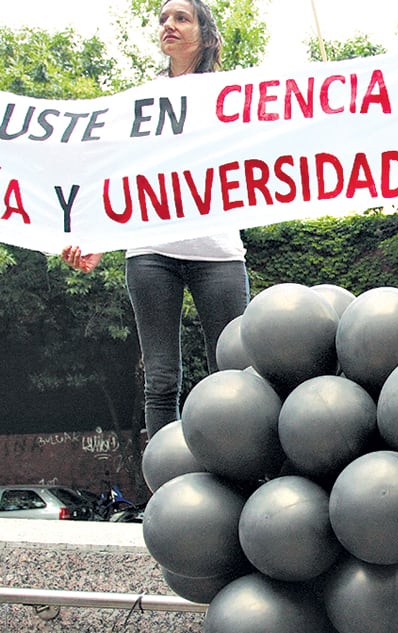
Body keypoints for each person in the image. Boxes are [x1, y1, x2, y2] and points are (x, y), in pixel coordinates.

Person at [62, 0, 249, 439]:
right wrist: (96, 240)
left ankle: (239, 478)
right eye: (163, 18)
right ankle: (165, 490)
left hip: (218, 253)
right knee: (161, 380)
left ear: (204, 33)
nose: (169, 25)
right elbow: (119, 175)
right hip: (150, 254)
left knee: (236, 375)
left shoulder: (234, 96)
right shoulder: (141, 102)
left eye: (181, 17)